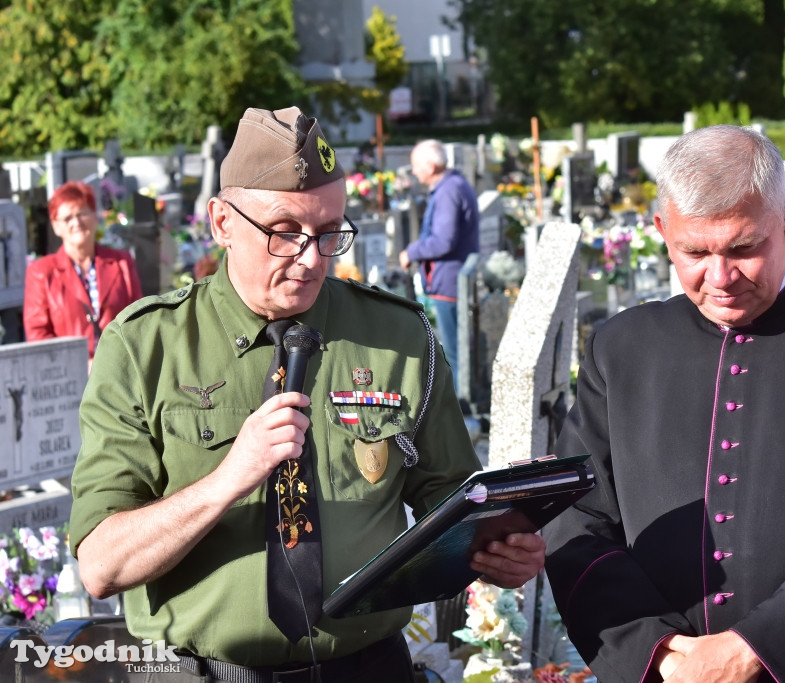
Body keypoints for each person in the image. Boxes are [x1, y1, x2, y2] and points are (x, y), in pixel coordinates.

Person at [69, 106, 544, 682]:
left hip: (367, 668)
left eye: (328, 233)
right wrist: (228, 479)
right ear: (222, 222)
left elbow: (449, 498)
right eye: (284, 232)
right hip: (202, 673)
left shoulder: (398, 337)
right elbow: (100, 564)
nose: (311, 257)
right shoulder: (146, 347)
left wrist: (494, 547)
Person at [543, 125, 785, 683]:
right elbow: (577, 514)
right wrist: (657, 651)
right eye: (694, 252)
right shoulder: (621, 348)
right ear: (662, 232)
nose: (720, 277)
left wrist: (756, 650)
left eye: (743, 248)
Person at [23, 180, 142, 359]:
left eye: (82, 213)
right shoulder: (40, 272)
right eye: (67, 218)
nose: (76, 222)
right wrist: (79, 364)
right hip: (67, 376)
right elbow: (38, 336)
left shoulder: (121, 262)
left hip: (119, 370)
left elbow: (139, 321)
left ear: (95, 217)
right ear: (56, 226)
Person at [398, 139, 479, 392]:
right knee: (457, 351)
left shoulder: (448, 191)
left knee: (454, 354)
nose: (414, 171)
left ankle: (458, 412)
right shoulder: (453, 185)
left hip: (450, 283)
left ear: (431, 166)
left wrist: (411, 251)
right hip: (451, 281)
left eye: (416, 166)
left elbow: (444, 241)